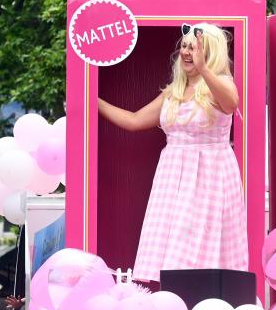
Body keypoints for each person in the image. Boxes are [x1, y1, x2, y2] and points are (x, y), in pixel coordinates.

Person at [98, 23, 248, 285]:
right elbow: (134, 121)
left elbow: (231, 103)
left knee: (198, 250)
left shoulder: (220, 83)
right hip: (172, 177)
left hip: (209, 176)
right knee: (170, 250)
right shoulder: (174, 91)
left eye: (194, 47)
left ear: (209, 52)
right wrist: (89, 99)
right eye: (185, 46)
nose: (187, 52)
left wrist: (203, 70)